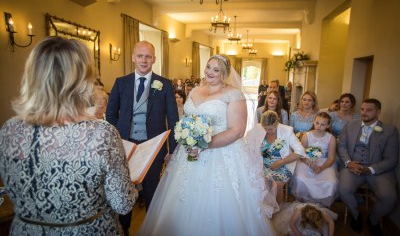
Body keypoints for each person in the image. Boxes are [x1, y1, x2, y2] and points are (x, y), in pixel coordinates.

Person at [0, 37, 137, 235]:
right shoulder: (101, 134)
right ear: (82, 80)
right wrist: (131, 182)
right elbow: (123, 204)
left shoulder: (9, 130)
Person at [138, 55, 278, 235]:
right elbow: (187, 118)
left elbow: (237, 131)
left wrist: (204, 145)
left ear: (225, 73)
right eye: (208, 67)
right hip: (188, 154)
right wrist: (186, 136)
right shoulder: (196, 90)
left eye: (216, 70)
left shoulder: (234, 94)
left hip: (221, 154)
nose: (209, 72)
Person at [106, 40, 179, 235]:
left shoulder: (164, 84)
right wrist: (117, 142)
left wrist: (172, 151)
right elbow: (110, 115)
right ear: (133, 58)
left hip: (154, 149)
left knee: (152, 192)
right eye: (140, 56)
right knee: (125, 193)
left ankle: (153, 230)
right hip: (125, 148)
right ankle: (125, 230)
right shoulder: (121, 83)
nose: (144, 60)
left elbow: (173, 120)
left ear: (154, 59)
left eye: (148, 56)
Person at [338, 98, 399, 235]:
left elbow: (391, 159)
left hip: (378, 171)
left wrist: (370, 169)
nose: (364, 113)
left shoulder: (389, 131)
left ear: (378, 112)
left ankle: (373, 219)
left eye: (369, 110)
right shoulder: (350, 125)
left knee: (389, 197)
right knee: (343, 189)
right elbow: (341, 146)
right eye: (362, 109)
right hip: (352, 168)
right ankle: (355, 214)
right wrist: (348, 163)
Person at [247, 110, 305, 204]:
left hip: (282, 165)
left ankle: (277, 210)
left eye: (270, 129)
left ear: (277, 124)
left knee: (277, 185)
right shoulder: (258, 128)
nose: (267, 131)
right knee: (257, 182)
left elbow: (300, 151)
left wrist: (280, 163)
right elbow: (248, 145)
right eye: (265, 129)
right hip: (262, 164)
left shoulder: (287, 131)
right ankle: (264, 210)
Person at [291, 112, 338, 207]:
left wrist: (321, 168)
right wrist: (309, 163)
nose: (319, 126)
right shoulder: (306, 135)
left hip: (325, 163)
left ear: (328, 125)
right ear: (313, 122)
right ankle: (305, 203)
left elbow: (331, 158)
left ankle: (319, 205)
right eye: (317, 123)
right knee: (300, 178)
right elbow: (302, 155)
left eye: (323, 124)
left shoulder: (331, 138)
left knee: (330, 181)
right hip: (307, 161)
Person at [272, 201, 337, 236]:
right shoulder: (298, 212)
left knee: (325, 230)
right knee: (291, 232)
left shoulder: (322, 212)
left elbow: (331, 222)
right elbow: (292, 223)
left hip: (310, 216)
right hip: (297, 218)